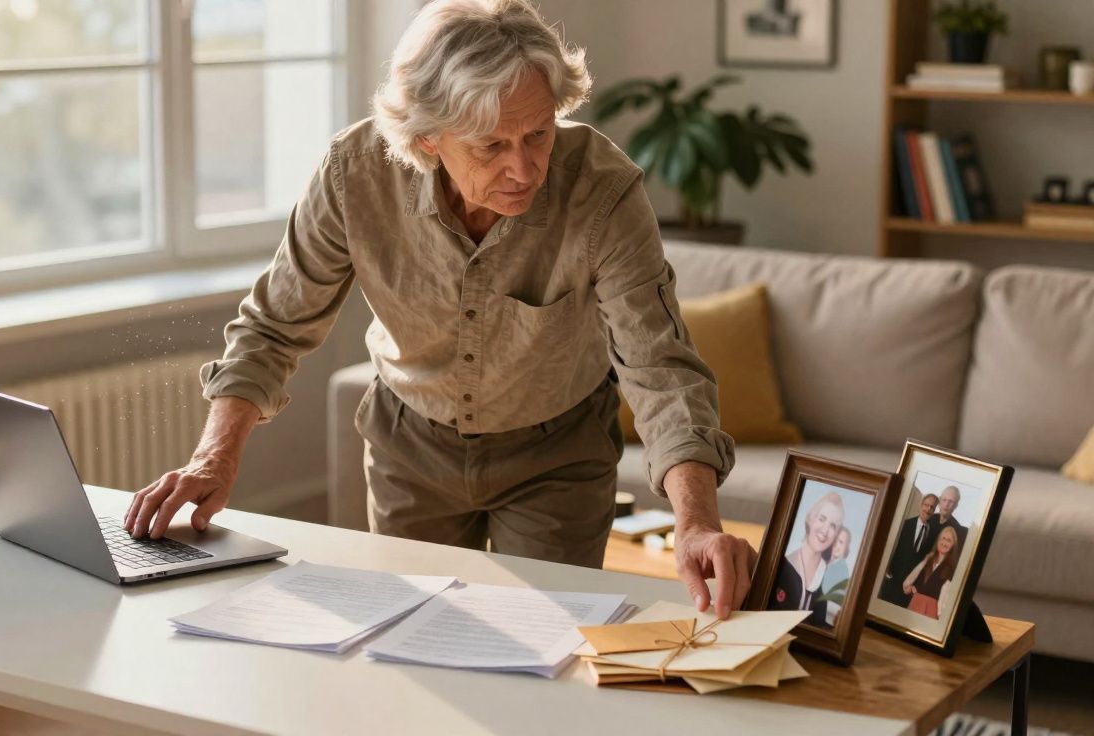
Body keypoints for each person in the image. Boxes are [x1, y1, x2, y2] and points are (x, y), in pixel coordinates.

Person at [122, 0, 755, 618]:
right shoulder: (356, 173)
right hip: (410, 445)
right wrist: (215, 455)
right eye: (491, 146)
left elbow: (659, 366)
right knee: (416, 646)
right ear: (427, 140)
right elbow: (273, 325)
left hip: (557, 452)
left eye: (538, 134)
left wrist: (696, 524)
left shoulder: (603, 191)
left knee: (548, 647)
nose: (525, 167)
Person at [768, 491, 843, 628]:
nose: (825, 530)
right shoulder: (780, 565)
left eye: (833, 526)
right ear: (810, 519)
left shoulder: (830, 582)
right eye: (822, 519)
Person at [879, 493, 938, 607]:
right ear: (921, 505)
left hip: (910, 589)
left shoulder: (933, 535)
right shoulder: (905, 524)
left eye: (932, 507)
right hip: (892, 582)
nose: (928, 509)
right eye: (926, 505)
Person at [903, 525, 961, 620]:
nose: (944, 542)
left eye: (949, 540)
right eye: (943, 538)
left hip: (932, 610)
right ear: (938, 540)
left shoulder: (951, 569)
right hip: (915, 604)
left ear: (953, 545)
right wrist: (913, 587)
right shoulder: (927, 561)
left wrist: (940, 616)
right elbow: (908, 583)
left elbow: (944, 599)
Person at [821, 526, 852, 627]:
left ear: (846, 548)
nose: (836, 545)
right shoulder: (826, 565)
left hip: (826, 622)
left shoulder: (840, 571)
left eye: (841, 542)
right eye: (835, 540)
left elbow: (837, 606)